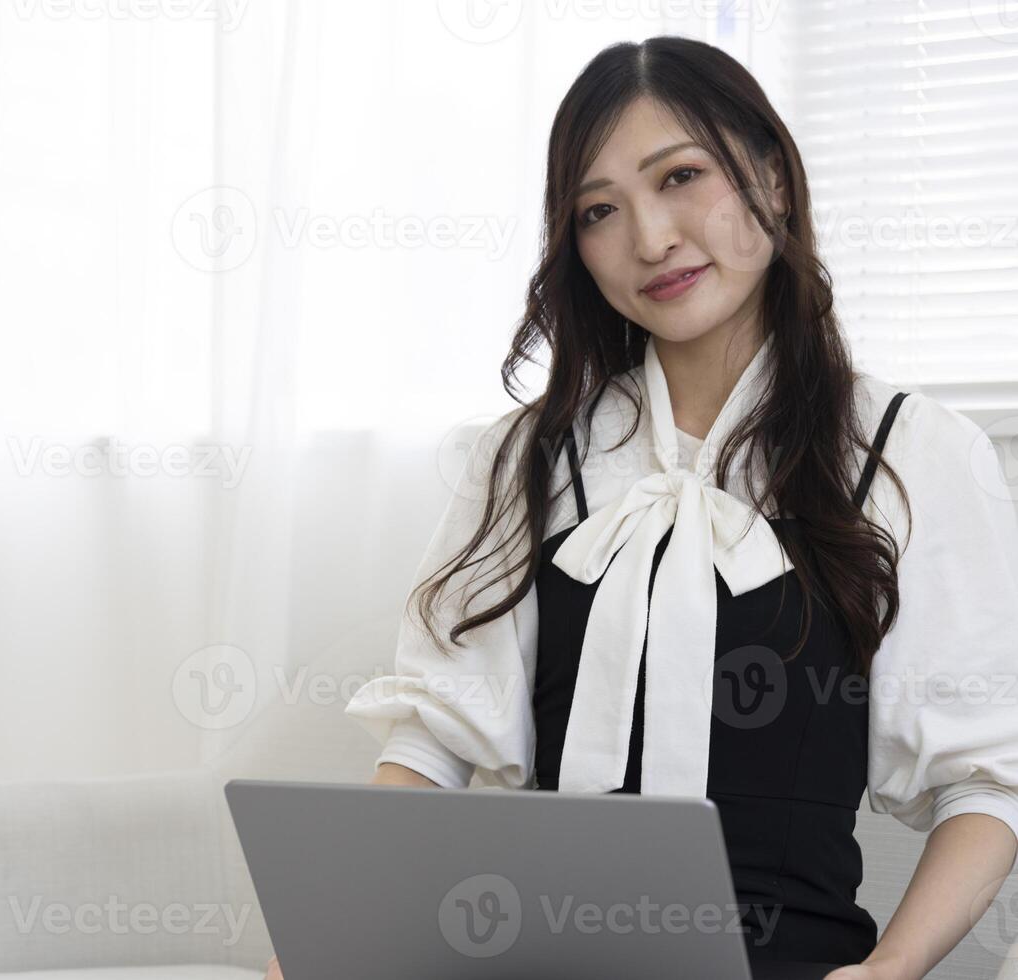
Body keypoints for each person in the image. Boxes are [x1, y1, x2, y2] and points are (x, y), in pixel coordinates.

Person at [266, 35, 1018, 980]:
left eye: (682, 176)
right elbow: (433, 741)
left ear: (774, 179)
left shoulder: (910, 452)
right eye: (599, 210)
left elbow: (986, 783)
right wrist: (329, 930)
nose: (651, 239)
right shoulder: (524, 459)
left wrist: (887, 974)